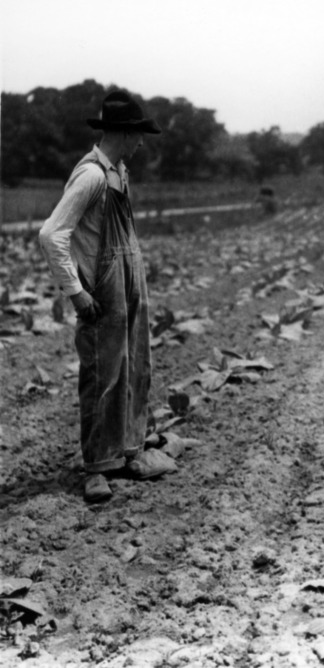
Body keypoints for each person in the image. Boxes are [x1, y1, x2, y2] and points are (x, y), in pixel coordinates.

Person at [39, 91, 175, 503]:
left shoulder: (119, 172)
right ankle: (97, 467)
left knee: (134, 368)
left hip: (129, 283)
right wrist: (76, 292)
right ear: (122, 132)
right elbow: (51, 235)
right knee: (102, 377)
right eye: (137, 135)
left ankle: (129, 453)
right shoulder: (93, 176)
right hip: (102, 288)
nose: (141, 143)